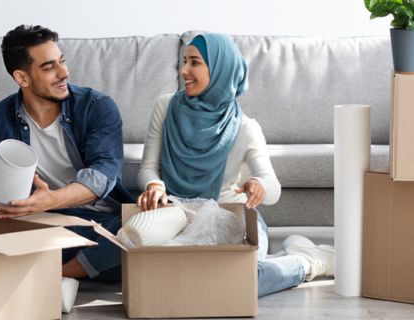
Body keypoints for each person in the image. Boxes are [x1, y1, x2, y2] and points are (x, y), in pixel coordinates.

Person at [0, 24, 133, 312]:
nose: (64, 72)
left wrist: (52, 198)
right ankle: (67, 268)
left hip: (94, 223)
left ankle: (55, 273)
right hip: (37, 222)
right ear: (22, 77)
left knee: (137, 228)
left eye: (62, 61)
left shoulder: (97, 107)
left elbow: (104, 172)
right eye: (49, 67)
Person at [136, 33, 334, 297]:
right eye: (184, 61)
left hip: (234, 219)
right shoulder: (165, 106)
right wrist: (155, 185)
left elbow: (272, 188)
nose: (183, 70)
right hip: (179, 218)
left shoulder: (244, 127)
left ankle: (307, 263)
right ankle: (289, 257)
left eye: (195, 62)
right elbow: (148, 167)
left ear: (220, 69)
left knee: (244, 280)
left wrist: (258, 184)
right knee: (167, 279)